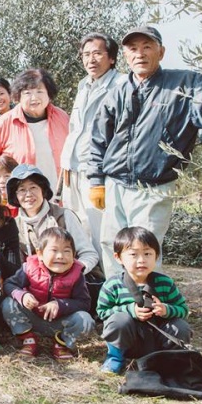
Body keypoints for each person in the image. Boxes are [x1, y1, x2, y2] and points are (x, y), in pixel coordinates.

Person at [88, 26, 202, 276]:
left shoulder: (182, 86)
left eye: (147, 47)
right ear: (126, 55)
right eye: (133, 49)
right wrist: (96, 180)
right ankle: (116, 308)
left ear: (161, 52)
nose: (140, 54)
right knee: (112, 246)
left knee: (143, 251)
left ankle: (145, 309)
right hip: (115, 183)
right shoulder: (118, 92)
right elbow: (98, 140)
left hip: (153, 188)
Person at [60, 33, 124, 260]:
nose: (91, 60)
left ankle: (109, 284)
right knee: (77, 229)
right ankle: (86, 282)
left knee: (102, 231)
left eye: (97, 53)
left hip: (97, 172)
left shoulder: (121, 85)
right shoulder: (83, 85)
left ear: (112, 58)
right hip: (72, 170)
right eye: (86, 55)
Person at [97, 226, 190, 374]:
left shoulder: (165, 283)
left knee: (180, 326)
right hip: (129, 341)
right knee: (118, 321)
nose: (141, 260)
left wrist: (167, 310)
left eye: (147, 254)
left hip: (158, 339)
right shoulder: (112, 284)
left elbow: (183, 310)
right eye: (133, 254)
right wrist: (130, 310)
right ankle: (115, 358)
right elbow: (102, 313)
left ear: (156, 256)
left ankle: (171, 360)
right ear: (118, 257)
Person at [1, 226, 95, 360]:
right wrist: (23, 296)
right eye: (54, 250)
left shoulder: (77, 274)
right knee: (8, 303)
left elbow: (84, 303)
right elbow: (9, 285)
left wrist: (60, 305)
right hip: (32, 317)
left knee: (85, 320)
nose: (60, 256)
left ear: (74, 255)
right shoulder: (29, 268)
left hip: (60, 324)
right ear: (40, 254)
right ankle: (28, 338)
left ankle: (61, 343)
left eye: (66, 251)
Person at [0, 68, 70, 190]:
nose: (34, 98)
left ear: (49, 94)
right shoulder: (5, 122)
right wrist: (1, 186)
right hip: (20, 199)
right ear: (18, 96)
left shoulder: (62, 118)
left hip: (59, 195)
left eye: (39, 91)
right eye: (27, 93)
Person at [6, 164, 99, 273]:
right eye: (22, 190)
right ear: (15, 196)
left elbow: (89, 254)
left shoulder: (64, 215)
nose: (28, 194)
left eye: (33, 187)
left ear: (43, 190)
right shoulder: (14, 226)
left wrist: (74, 273)